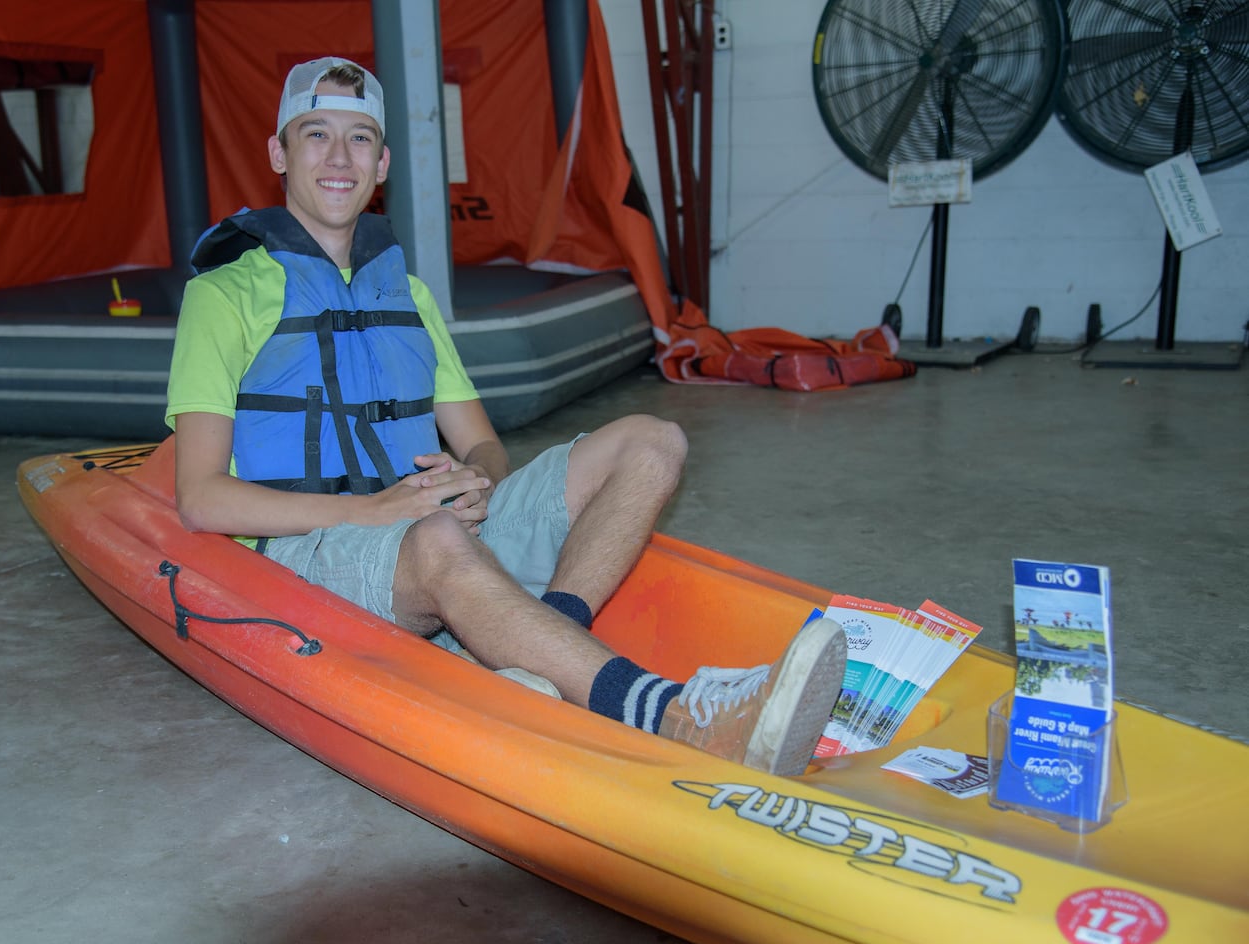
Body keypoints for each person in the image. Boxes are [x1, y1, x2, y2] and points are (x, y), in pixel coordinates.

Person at [166, 57, 846, 775]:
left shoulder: (410, 296)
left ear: (384, 160)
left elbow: (485, 445)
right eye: (316, 134)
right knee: (435, 541)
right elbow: (200, 498)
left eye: (361, 138)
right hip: (309, 554)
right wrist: (369, 516)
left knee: (652, 441)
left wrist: (476, 479)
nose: (340, 158)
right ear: (279, 151)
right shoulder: (224, 296)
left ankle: (539, 647)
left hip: (428, 526)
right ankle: (674, 715)